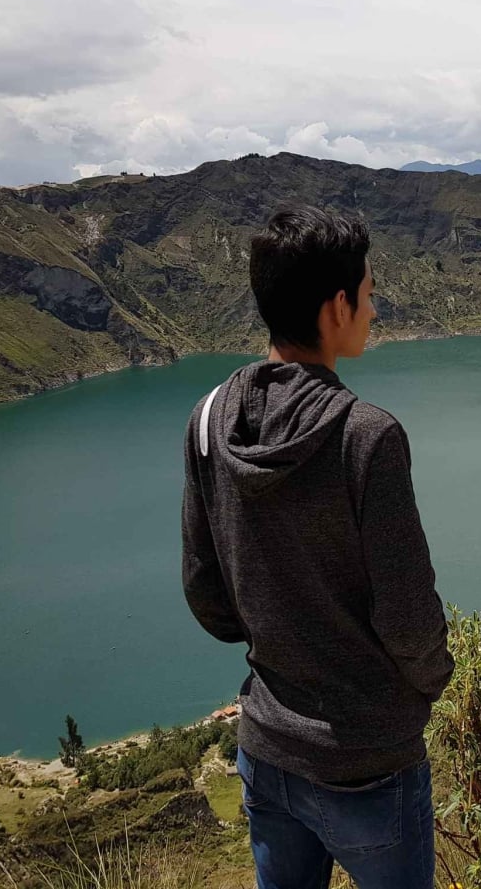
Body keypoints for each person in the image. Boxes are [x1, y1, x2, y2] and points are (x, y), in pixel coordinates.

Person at [181, 203, 453, 889]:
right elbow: (409, 619)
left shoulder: (210, 420)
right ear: (336, 307)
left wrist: (283, 633)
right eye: (367, 293)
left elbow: (208, 595)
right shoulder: (368, 437)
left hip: (268, 750)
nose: (374, 307)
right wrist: (429, 685)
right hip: (370, 762)